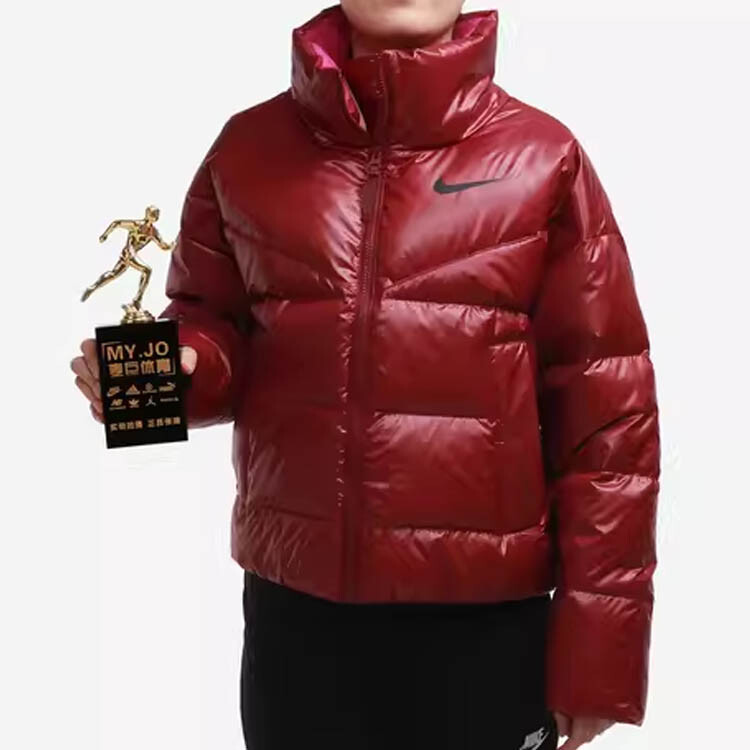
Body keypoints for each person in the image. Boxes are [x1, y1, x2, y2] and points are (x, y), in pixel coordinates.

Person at [71, 2, 661, 748]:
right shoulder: (248, 150)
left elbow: (609, 424)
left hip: (483, 628)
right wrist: (158, 382)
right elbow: (211, 328)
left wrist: (597, 659)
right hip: (297, 622)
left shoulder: (543, 158)